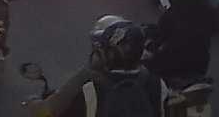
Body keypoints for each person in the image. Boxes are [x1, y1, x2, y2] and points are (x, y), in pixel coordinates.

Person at [26, 16, 154, 117]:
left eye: (101, 48)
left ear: (109, 55)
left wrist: (32, 103)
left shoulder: (90, 90)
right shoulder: (156, 84)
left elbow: (47, 111)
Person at [143, 0, 214, 82]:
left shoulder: (173, 14)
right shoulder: (208, 11)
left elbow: (161, 35)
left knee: (144, 72)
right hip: (201, 64)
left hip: (174, 64)